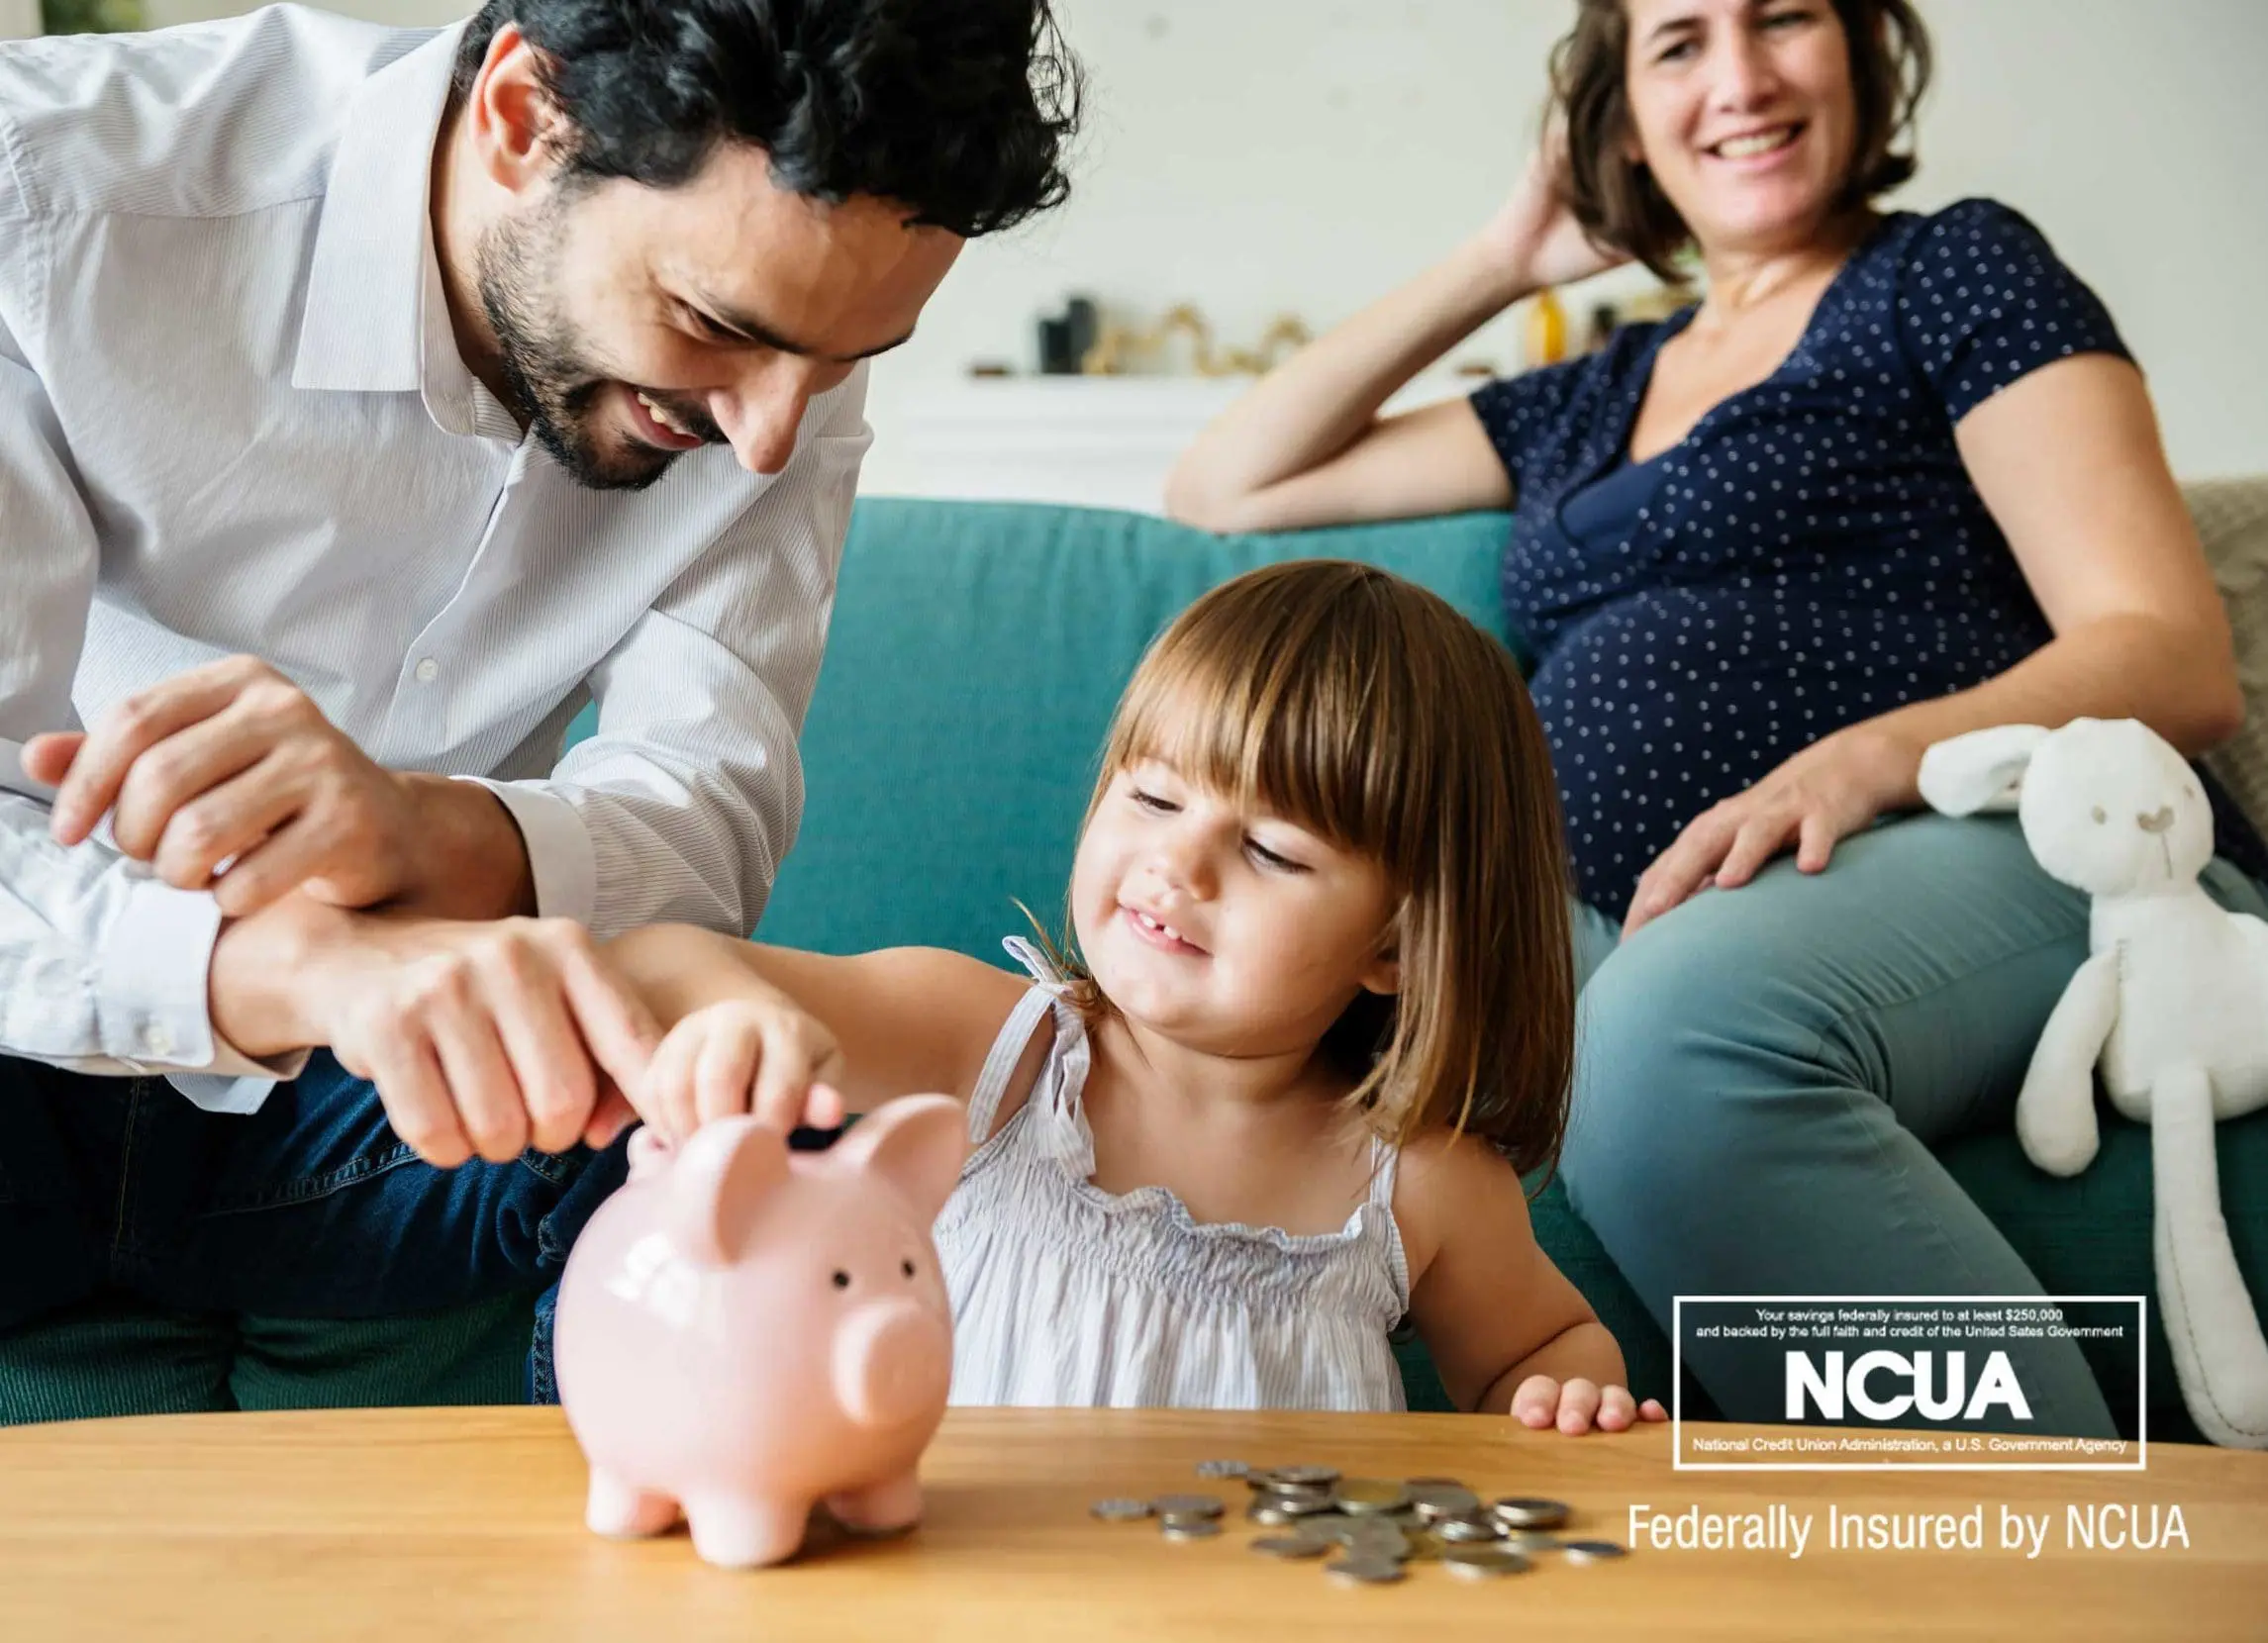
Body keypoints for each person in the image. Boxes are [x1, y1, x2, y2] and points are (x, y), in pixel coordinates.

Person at [1161, 0, 2262, 1436]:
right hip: (1647, 908)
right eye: (1676, 41)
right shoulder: (1591, 391)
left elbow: (2169, 656)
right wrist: (1500, 260)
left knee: (1667, 1049)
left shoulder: (1948, 271)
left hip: (1992, 840)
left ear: (1859, 59)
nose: (1737, 76)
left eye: (1781, 18)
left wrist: (1871, 760)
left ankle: (2033, 1572)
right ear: (1616, 117)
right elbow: (1222, 485)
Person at [0, 2, 1076, 1362]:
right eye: (708, 326)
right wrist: (307, 965)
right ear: (523, 118)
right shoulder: (44, 189)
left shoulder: (785, 349)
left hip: (385, 1112)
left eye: (841, 366)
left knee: (722, 1125)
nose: (764, 440)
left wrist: (428, 832)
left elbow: (702, 822)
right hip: (36, 1048)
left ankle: (697, 1505)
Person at [576, 561, 1667, 1427]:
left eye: (1271, 852)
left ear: (1394, 944)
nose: (1175, 866)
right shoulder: (989, 1050)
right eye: (1151, 796)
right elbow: (659, 963)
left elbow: (1539, 1350)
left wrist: (1560, 1393)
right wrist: (735, 1017)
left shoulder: (1418, 1180)